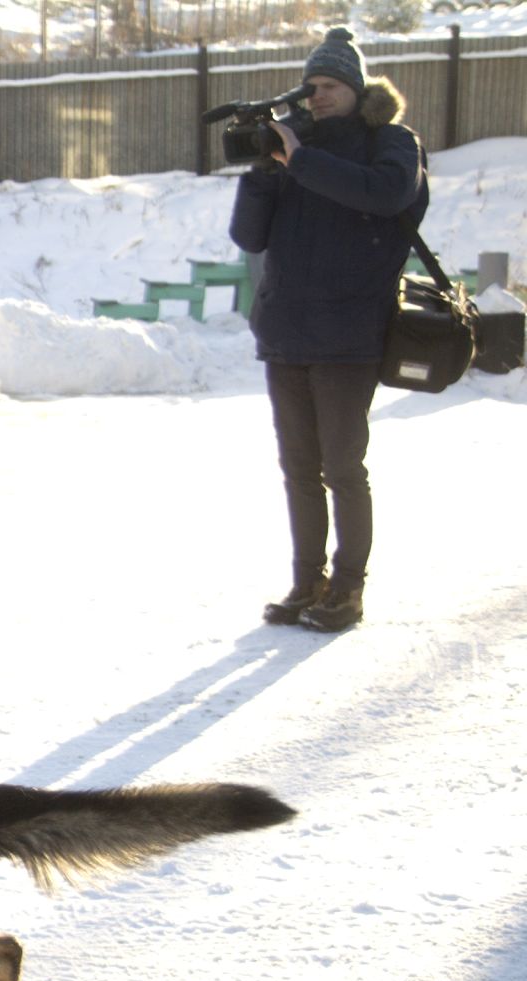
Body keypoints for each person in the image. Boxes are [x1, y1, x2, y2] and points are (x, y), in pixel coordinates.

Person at [230, 28, 428, 634]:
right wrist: (264, 170)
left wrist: (301, 159)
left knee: (343, 467)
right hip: (287, 331)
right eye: (310, 87)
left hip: (349, 333)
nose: (317, 97)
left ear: (357, 87)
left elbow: (386, 194)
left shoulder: (389, 143)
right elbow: (248, 237)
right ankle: (306, 581)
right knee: (298, 467)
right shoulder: (296, 149)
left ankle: (347, 591)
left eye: (331, 85)